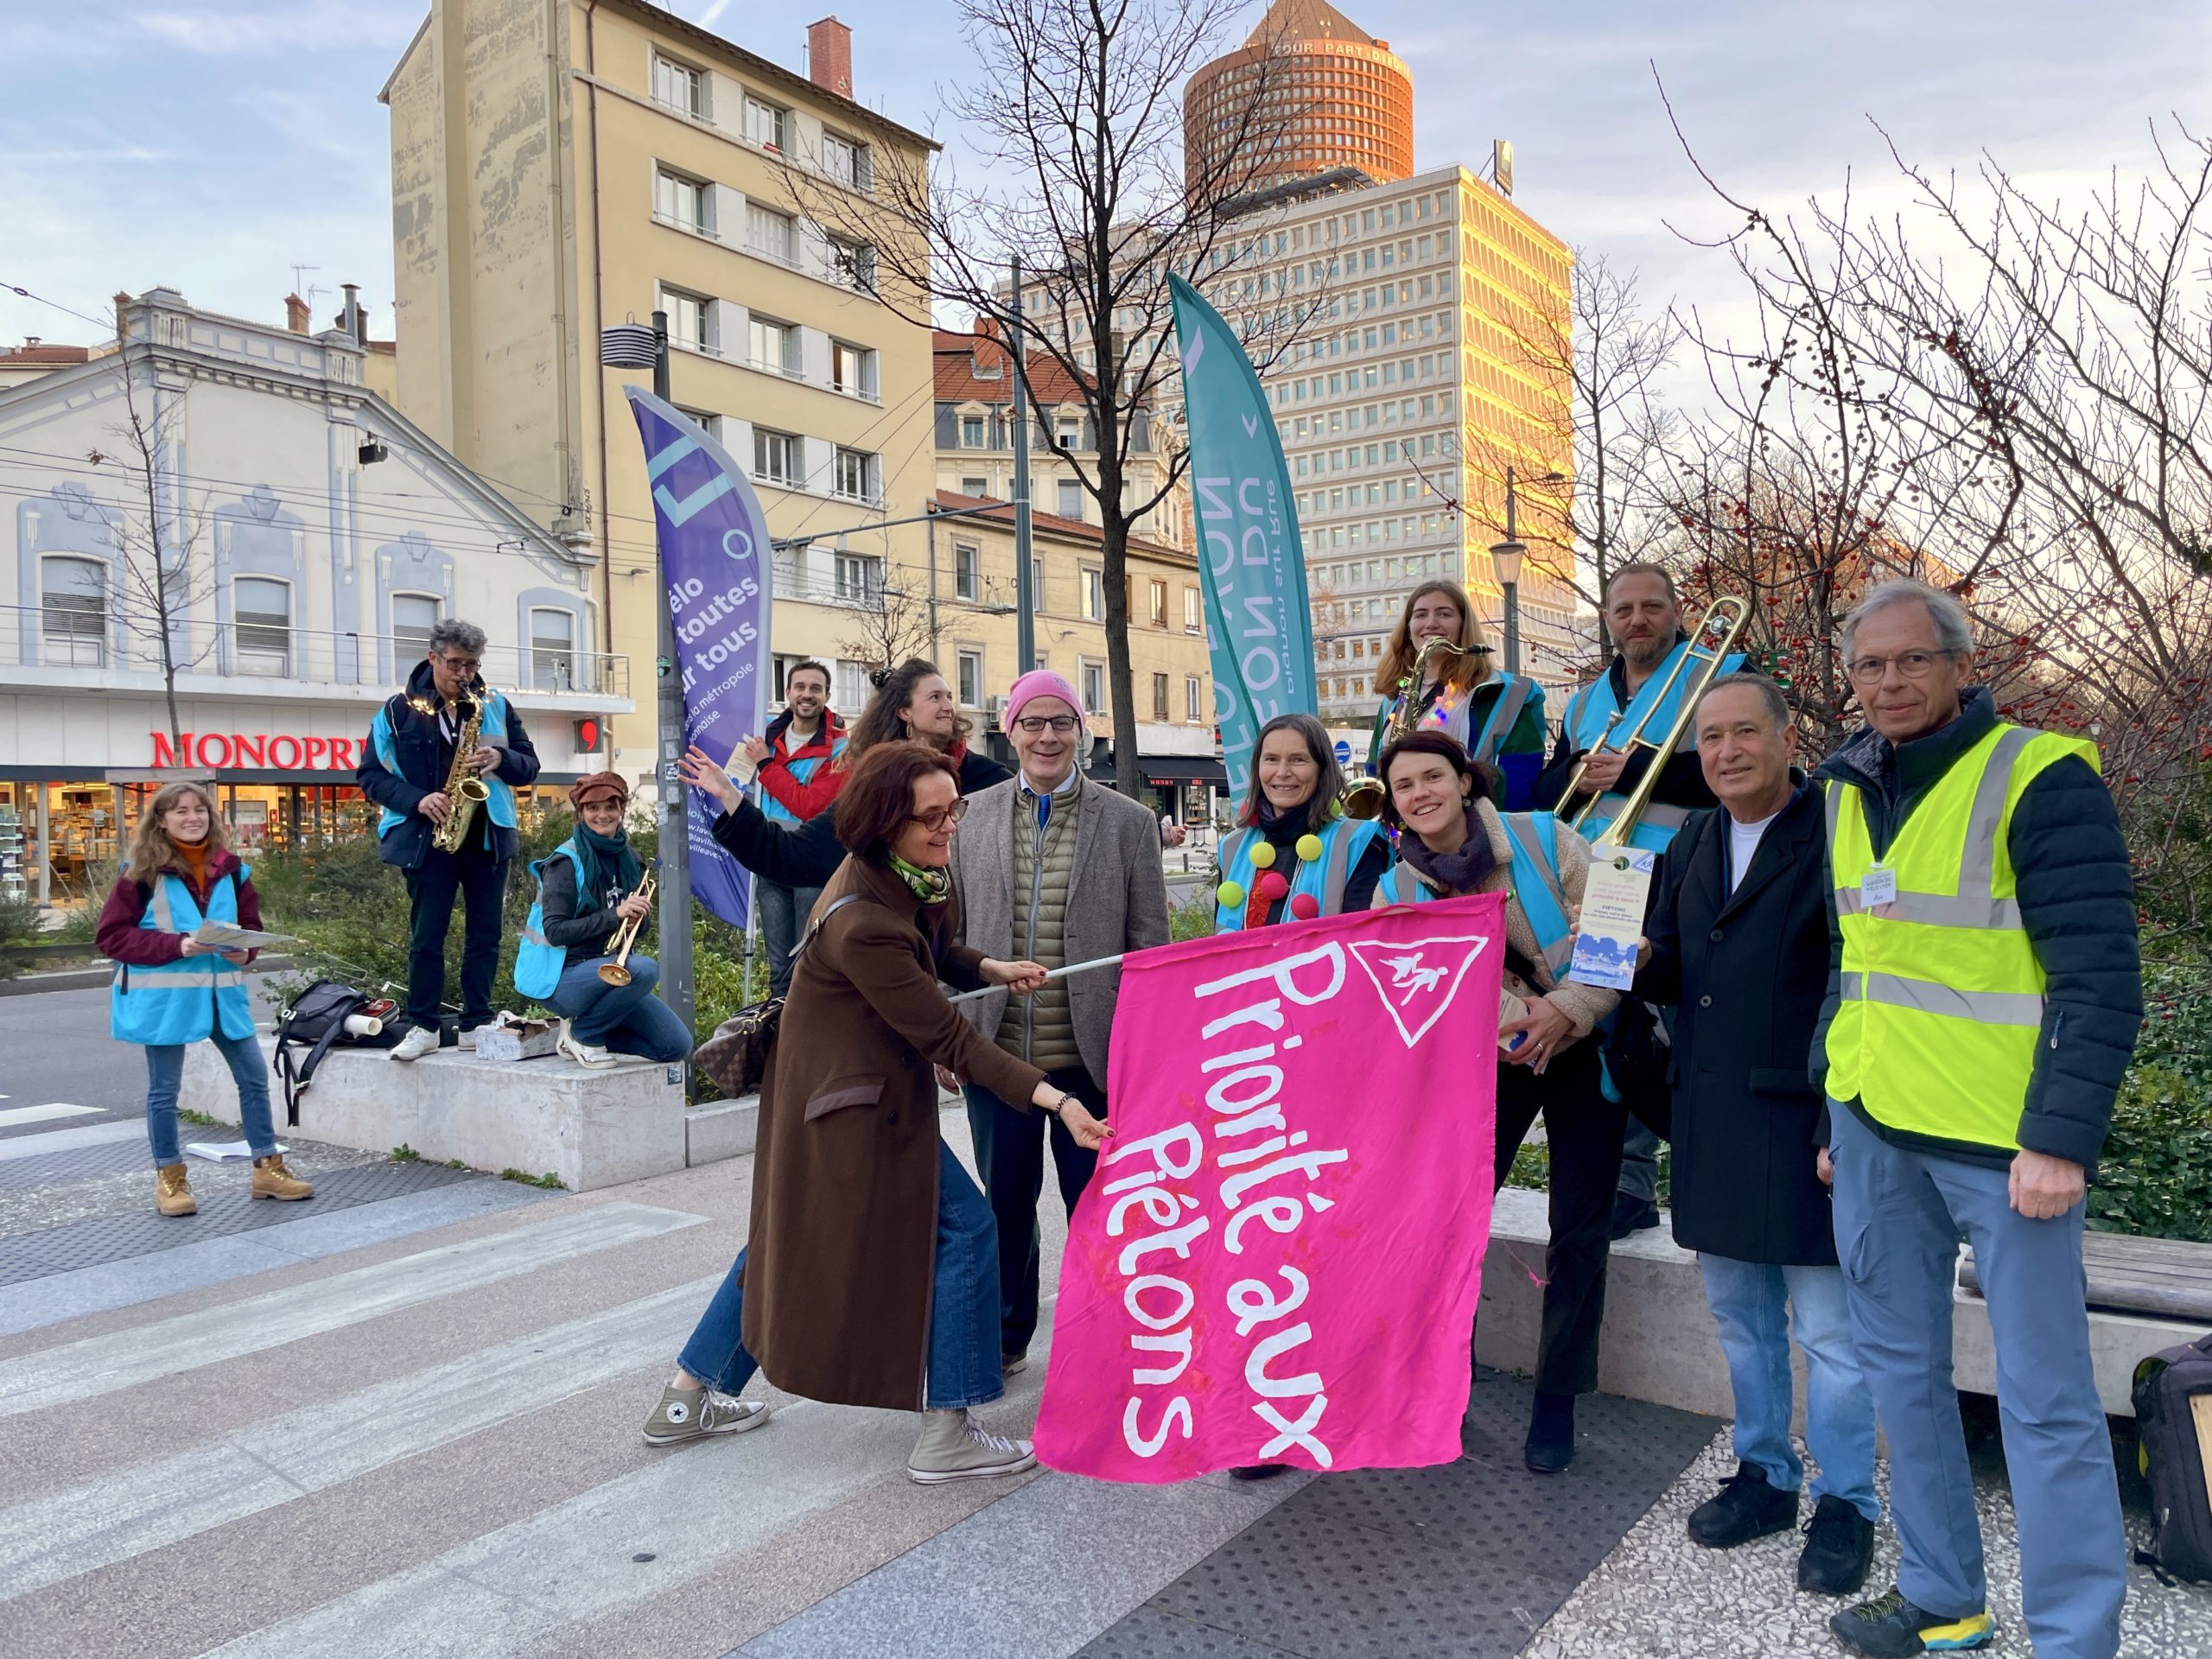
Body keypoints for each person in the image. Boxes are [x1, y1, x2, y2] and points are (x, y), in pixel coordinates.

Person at [1813, 581, 2140, 1659]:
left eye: (1912, 661)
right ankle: (1943, 1597)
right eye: (1871, 666)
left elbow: (2098, 976)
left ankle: (2075, 1640)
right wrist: (1835, 1093)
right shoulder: (1842, 787)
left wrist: (2059, 1139)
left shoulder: (2038, 773)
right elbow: (1852, 959)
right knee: (1901, 1378)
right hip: (1873, 1129)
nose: (1891, 682)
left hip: (2007, 1146)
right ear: (1850, 679)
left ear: (1959, 667)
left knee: (2046, 1406)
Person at [641, 742, 1111, 1484]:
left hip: (845, 1092)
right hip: (847, 1106)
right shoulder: (864, 918)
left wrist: (984, 966)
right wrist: (1057, 1099)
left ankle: (686, 1398)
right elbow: (947, 1034)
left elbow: (936, 949)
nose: (949, 826)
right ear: (885, 821)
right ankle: (947, 1429)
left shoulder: (908, 874)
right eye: (931, 816)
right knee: (967, 1229)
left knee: (785, 1234)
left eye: (952, 810)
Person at [1628, 674, 1877, 1596]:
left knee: (1830, 1333)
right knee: (1740, 1323)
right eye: (1710, 738)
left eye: (1743, 733)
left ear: (1785, 737)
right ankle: (1765, 1476)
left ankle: (1846, 1500)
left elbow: (1853, 980)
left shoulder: (1832, 832)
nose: (1725, 752)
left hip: (1801, 1117)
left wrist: (1835, 1116)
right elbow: (1671, 969)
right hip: (1712, 1116)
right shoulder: (1691, 837)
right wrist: (1631, 956)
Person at [1375, 729, 1619, 1475]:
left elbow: (1617, 925)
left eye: (1432, 777)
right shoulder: (1399, 890)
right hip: (1491, 1062)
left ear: (1464, 779)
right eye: (1405, 786)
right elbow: (1419, 993)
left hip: (1589, 1045)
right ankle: (1448, 1377)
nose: (1421, 794)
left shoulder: (1547, 836)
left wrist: (1567, 1012)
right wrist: (1520, 1026)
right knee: (1454, 1223)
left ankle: (1557, 1401)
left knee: (1579, 1230)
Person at [950, 669, 1171, 1374]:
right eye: (1032, 722)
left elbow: (1152, 947)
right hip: (998, 1056)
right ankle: (1010, 1335)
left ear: (1082, 730)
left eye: (1061, 722)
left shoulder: (1129, 822)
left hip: (1095, 1060)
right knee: (1006, 1204)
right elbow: (944, 933)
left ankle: (1105, 1336)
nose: (1047, 736)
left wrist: (1151, 1053)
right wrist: (942, 1038)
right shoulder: (968, 815)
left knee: (1100, 1206)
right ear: (1008, 731)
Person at [1534, 563, 1739, 1240]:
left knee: (1687, 1029)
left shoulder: (1720, 670)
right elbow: (1549, 788)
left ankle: (1715, 1173)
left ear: (1677, 611)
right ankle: (1629, 1185)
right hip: (1604, 883)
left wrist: (1641, 771)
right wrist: (1573, 772)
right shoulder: (1588, 697)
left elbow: (1747, 768)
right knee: (1615, 1027)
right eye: (1624, 610)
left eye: (1652, 607)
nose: (1637, 621)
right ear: (1608, 618)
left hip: (1689, 879)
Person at [96, 780, 313, 1216]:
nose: (192, 818)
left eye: (200, 810)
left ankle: (268, 1170)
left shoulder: (233, 870)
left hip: (222, 999)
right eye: (180, 811)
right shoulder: (139, 872)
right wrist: (177, 946)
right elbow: (111, 937)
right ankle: (171, 1182)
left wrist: (244, 950)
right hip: (167, 1003)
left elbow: (249, 927)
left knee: (253, 1079)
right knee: (164, 1091)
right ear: (161, 821)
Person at [358, 619, 541, 1059]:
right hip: (427, 836)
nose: (464, 674)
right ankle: (423, 1024)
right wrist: (419, 801)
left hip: (486, 833)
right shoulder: (397, 712)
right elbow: (370, 775)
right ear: (433, 658)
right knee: (427, 936)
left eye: (471, 665)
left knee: (486, 934)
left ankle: (475, 1021)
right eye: (455, 664)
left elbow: (530, 764)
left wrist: (502, 757)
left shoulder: (492, 704)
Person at [684, 658, 1009, 895]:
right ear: (904, 712)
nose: (948, 706)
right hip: (896, 940)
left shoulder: (989, 779)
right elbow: (794, 855)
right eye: (935, 697)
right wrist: (730, 795)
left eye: (949, 696)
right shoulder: (876, 785)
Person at [527, 772, 691, 1070]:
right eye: (593, 808)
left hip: (608, 977)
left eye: (610, 807)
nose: (602, 815)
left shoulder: (628, 857)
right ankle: (584, 1034)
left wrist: (634, 920)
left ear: (622, 811)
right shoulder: (565, 861)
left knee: (676, 1045)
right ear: (580, 813)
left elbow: (635, 933)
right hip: (562, 978)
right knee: (645, 968)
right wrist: (614, 915)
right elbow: (554, 931)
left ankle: (588, 1031)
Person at [1367, 580, 1547, 806]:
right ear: (1408, 628)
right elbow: (1375, 769)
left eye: (1444, 614)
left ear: (1463, 626)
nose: (1431, 623)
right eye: (1421, 615)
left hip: (1472, 829)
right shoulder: (1394, 698)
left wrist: (1458, 783)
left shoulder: (1506, 693)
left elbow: (1523, 778)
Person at [1215, 714, 1389, 931]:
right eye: (1271, 759)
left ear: (1322, 769)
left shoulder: (1358, 843)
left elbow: (1364, 942)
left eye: (1298, 759)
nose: (1282, 772)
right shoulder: (1232, 845)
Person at [743, 660, 848, 997]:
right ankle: (779, 1044)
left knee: (809, 961)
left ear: (827, 696)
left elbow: (809, 806)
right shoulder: (766, 740)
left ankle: (809, 1044)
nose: (807, 694)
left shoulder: (840, 750)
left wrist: (765, 764)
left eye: (815, 688)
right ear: (787, 692)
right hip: (771, 862)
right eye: (800, 687)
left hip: (810, 866)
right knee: (778, 969)